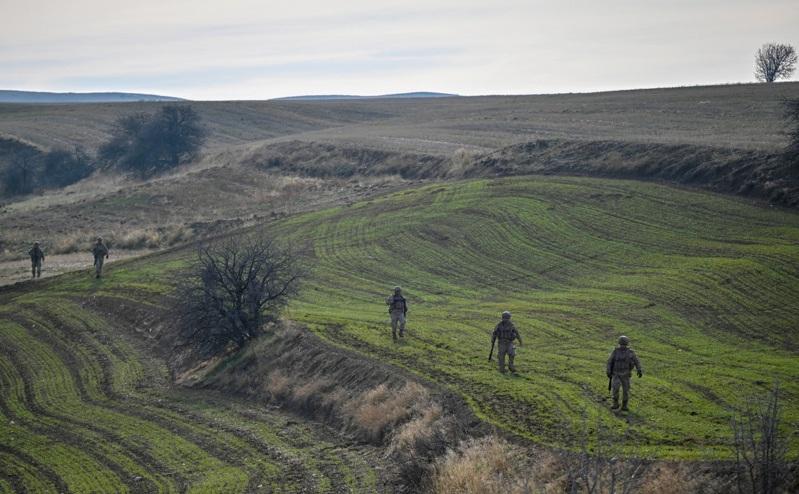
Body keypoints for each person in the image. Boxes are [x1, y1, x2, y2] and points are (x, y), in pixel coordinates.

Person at [606, 335, 643, 412]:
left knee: (626, 390)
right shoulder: (615, 352)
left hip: (626, 374)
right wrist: (608, 370)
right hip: (616, 373)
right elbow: (609, 361)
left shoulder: (631, 353)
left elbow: (636, 361)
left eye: (624, 344)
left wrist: (639, 370)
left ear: (626, 344)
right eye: (621, 344)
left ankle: (624, 405)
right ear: (619, 344)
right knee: (615, 389)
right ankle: (615, 403)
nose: (622, 346)